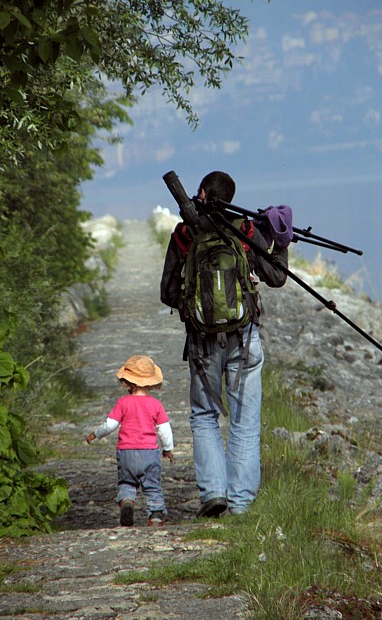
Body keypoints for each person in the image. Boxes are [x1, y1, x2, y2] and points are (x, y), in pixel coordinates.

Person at [160, 171, 289, 518]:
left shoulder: (185, 235)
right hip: (244, 340)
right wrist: (282, 238)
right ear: (231, 199)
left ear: (201, 193)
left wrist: (197, 306)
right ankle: (242, 504)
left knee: (204, 416)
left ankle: (214, 493)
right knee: (245, 422)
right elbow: (276, 277)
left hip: (201, 343)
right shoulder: (245, 231)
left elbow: (167, 293)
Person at [86, 355, 174, 527]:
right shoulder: (156, 405)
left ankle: (127, 501)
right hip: (148, 453)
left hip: (126, 453)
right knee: (152, 486)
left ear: (128, 382)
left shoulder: (123, 402)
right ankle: (155, 516)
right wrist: (168, 448)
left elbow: (110, 425)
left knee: (126, 482)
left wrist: (94, 434)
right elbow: (165, 429)